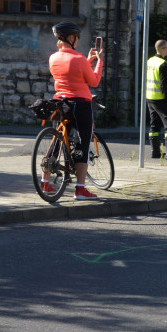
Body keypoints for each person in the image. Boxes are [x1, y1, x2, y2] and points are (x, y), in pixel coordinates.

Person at [47, 21, 103, 199]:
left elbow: (71, 73)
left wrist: (88, 60)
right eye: (76, 38)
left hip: (60, 102)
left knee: (56, 141)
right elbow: (93, 81)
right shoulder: (78, 59)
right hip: (80, 104)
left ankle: (44, 182)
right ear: (71, 38)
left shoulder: (53, 58)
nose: (77, 41)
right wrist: (99, 62)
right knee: (82, 143)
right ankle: (80, 189)